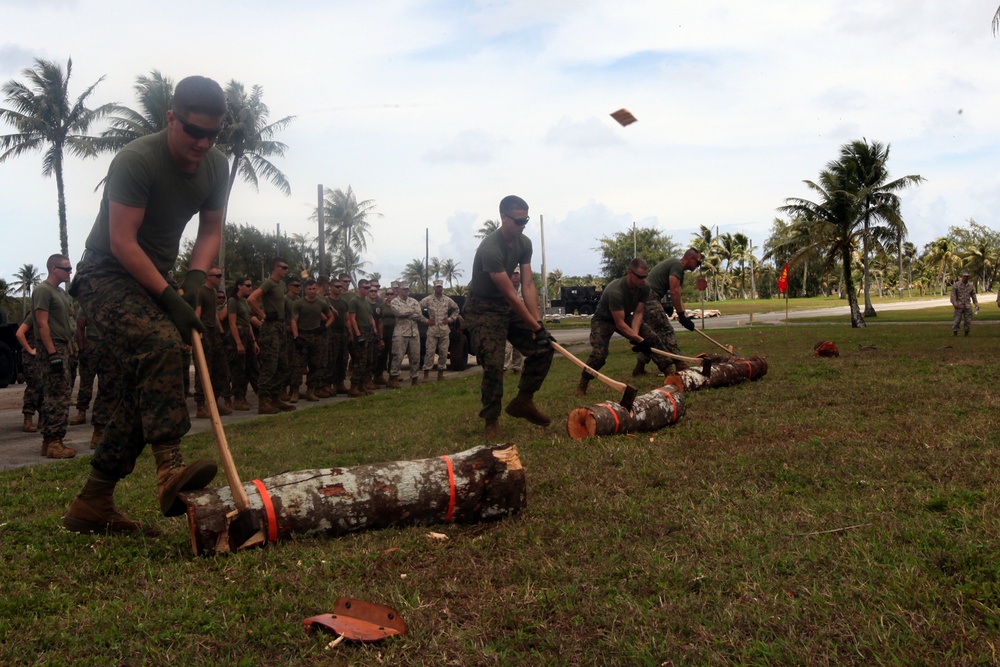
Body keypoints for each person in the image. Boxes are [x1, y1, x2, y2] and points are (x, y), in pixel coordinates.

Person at [63, 75, 228, 535]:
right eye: (193, 130)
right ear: (170, 118)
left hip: (154, 278)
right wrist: (170, 298)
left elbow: (211, 230)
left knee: (139, 397)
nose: (202, 142)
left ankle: (92, 503)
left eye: (212, 134)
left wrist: (193, 280)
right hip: (106, 274)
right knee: (161, 347)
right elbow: (121, 241)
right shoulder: (137, 159)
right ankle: (170, 468)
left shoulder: (218, 166)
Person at [464, 195, 554, 438]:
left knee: (543, 349)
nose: (523, 224)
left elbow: (527, 286)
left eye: (526, 219)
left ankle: (523, 401)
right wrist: (534, 328)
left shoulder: (524, 243)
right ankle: (491, 420)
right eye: (518, 220)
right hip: (483, 308)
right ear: (503, 217)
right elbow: (511, 295)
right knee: (494, 364)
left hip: (506, 304)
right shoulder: (490, 249)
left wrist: (539, 325)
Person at [577, 258, 670, 396]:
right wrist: (639, 340)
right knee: (599, 354)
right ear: (630, 273)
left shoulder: (645, 287)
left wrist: (636, 336)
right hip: (604, 319)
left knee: (652, 338)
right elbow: (619, 324)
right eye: (640, 277)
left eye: (645, 276)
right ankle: (583, 384)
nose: (643, 280)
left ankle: (669, 373)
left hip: (625, 315)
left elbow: (638, 312)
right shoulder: (615, 291)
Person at [33, 254, 78, 459]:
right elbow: (42, 324)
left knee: (61, 393)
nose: (70, 272)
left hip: (61, 346)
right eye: (66, 269)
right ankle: (54, 442)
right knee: (57, 396)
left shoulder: (59, 292)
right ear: (53, 268)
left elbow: (65, 324)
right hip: (52, 348)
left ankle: (50, 442)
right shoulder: (43, 290)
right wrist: (52, 353)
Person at [633, 248, 703, 376]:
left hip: (647, 297)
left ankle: (639, 368)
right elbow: (674, 291)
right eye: (698, 263)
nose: (698, 266)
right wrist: (681, 315)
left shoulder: (676, 266)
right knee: (666, 332)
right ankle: (680, 364)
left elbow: (678, 294)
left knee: (652, 335)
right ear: (691, 259)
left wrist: (684, 316)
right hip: (649, 298)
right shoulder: (677, 265)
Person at [248, 257, 295, 414]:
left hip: (280, 326)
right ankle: (264, 402)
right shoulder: (269, 283)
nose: (286, 270)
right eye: (284, 267)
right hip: (270, 328)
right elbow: (251, 299)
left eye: (287, 268)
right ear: (275, 268)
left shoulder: (281, 285)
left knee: (283, 365)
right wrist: (264, 315)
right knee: (270, 365)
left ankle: (275, 398)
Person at [193, 266, 232, 417]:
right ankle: (201, 407)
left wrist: (221, 332)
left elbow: (214, 314)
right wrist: (199, 333)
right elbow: (197, 313)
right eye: (217, 276)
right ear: (208, 276)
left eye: (220, 275)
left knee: (219, 368)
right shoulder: (201, 291)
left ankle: (213, 403)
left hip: (214, 332)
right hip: (204, 332)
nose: (219, 278)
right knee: (204, 369)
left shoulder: (214, 292)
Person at [291, 279, 333, 401]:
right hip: (302, 335)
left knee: (316, 365)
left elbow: (331, 317)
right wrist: (296, 336)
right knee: (298, 366)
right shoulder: (299, 303)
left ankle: (310, 391)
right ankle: (295, 392)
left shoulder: (321, 303)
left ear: (316, 289)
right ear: (305, 290)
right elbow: (294, 320)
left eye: (314, 289)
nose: (312, 291)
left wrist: (324, 327)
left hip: (316, 336)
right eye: (309, 289)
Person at [225, 277, 257, 411]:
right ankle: (237, 398)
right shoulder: (233, 301)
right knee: (238, 368)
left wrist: (254, 341)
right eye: (248, 285)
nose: (250, 288)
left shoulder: (244, 302)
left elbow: (248, 322)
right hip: (238, 336)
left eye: (251, 286)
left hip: (247, 336)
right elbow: (232, 323)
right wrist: (238, 342)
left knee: (250, 367)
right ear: (239, 286)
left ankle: (242, 397)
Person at [389, 282, 428, 388]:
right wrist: (411, 311)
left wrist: (407, 312)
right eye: (404, 289)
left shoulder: (413, 301)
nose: (406, 291)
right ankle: (394, 378)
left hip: (414, 333)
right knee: (398, 356)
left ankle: (414, 378)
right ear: (399, 290)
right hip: (400, 333)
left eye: (407, 289)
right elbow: (399, 313)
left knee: (415, 356)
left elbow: (419, 315)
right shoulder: (394, 301)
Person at [421, 279, 460, 381]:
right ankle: (426, 374)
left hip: (444, 330)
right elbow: (417, 309)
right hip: (432, 330)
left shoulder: (447, 300)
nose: (439, 288)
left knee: (443, 352)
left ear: (442, 288)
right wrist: (426, 320)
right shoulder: (428, 299)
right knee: (430, 352)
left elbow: (456, 309)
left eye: (440, 286)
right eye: (437, 286)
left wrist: (450, 319)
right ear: (434, 288)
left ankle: (441, 373)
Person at [346, 279, 377, 397]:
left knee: (368, 360)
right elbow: (352, 319)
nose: (368, 290)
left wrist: (375, 331)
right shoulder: (354, 301)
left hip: (369, 332)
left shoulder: (366, 301)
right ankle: (354, 387)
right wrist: (358, 334)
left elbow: (370, 317)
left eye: (369, 288)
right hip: (361, 333)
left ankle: (362, 385)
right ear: (360, 288)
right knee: (360, 361)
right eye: (366, 288)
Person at [15, 312, 42, 433]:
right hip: (32, 359)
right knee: (34, 387)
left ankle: (43, 419)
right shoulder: (33, 315)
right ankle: (28, 419)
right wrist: (30, 350)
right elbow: (20, 333)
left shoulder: (46, 315)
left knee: (44, 388)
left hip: (42, 357)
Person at [504, 269, 524, 374]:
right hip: (507, 320)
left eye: (517, 274)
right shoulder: (506, 287)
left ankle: (517, 368)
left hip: (520, 320)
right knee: (506, 347)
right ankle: (504, 368)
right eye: (513, 274)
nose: (515, 276)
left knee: (518, 346)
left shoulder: (524, 288)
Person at [951, 269, 978, 336]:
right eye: (965, 276)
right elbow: (953, 296)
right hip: (959, 305)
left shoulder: (971, 286)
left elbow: (973, 296)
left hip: (967, 305)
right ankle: (955, 332)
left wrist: (976, 304)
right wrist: (955, 303)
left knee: (968, 321)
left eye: (967, 276)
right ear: (962, 276)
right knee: (957, 320)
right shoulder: (956, 285)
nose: (966, 278)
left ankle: (966, 333)